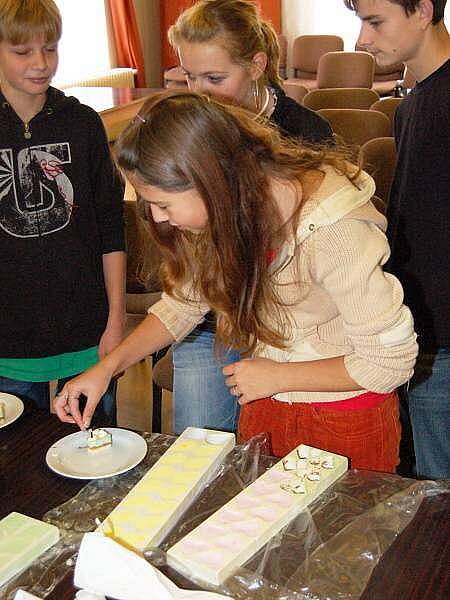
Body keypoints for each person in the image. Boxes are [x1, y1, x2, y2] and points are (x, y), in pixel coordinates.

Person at [55, 90, 418, 472]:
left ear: (210, 179)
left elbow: (389, 362)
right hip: (265, 398)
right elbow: (182, 306)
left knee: (344, 530)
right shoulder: (227, 209)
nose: (159, 219)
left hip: (345, 418)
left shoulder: (336, 233)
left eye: (163, 204)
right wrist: (107, 368)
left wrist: (279, 376)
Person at [164, 0, 332, 434]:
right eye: (189, 76)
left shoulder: (306, 133)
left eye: (215, 78)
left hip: (289, 321)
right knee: (198, 449)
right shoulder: (191, 128)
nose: (199, 92)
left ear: (257, 65)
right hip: (211, 317)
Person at [0, 0, 126, 424]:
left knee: (97, 454)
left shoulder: (84, 123)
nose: (40, 63)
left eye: (50, 49)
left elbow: (111, 229)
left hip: (87, 334)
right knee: (18, 473)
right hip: (8, 343)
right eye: (22, 52)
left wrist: (115, 320)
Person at [344, 0, 449, 479]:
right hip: (421, 321)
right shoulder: (413, 107)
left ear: (423, 11)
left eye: (375, 21)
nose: (363, 40)